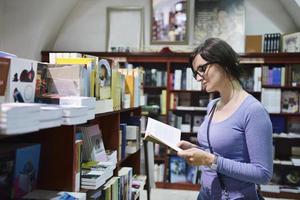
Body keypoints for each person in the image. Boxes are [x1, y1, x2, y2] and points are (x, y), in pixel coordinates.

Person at [177, 38, 273, 199]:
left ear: (224, 62)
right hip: (205, 194)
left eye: (202, 69)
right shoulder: (212, 105)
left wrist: (208, 159)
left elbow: (263, 173)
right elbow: (218, 153)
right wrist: (196, 150)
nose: (199, 78)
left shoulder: (253, 111)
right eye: (196, 73)